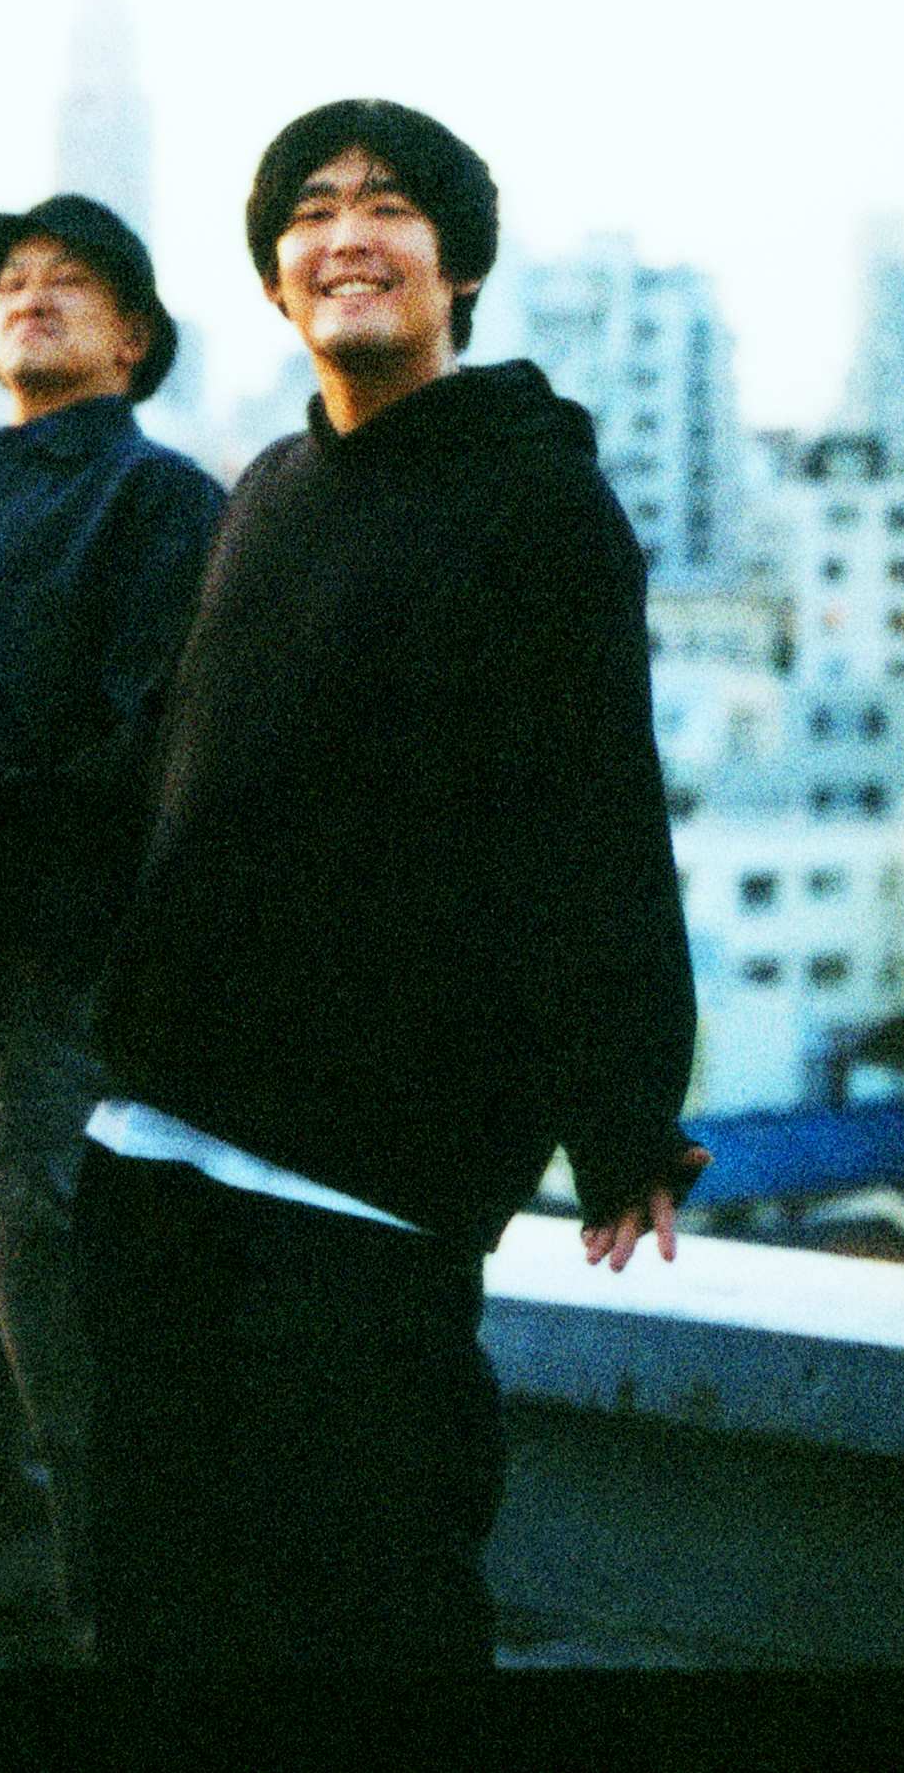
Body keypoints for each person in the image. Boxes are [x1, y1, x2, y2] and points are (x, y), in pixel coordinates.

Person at [78, 100, 705, 1668]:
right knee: (154, 1590)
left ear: (458, 266)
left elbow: (594, 808)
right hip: (158, 1129)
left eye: (389, 206)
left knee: (370, 1601)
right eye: (310, 211)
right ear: (273, 280)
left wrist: (623, 1104)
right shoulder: (270, 488)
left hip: (366, 1162)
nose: (346, 235)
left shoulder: (536, 498)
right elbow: (172, 768)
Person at [0, 194, 225, 1664]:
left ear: (135, 340)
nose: (30, 295)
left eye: (70, 280)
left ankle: (121, 1639)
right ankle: (5, 1631)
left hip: (55, 987)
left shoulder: (158, 500)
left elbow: (168, 749)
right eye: (11, 282)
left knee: (57, 1338)